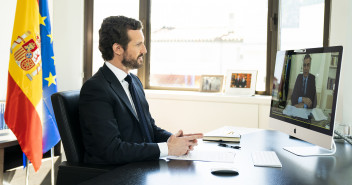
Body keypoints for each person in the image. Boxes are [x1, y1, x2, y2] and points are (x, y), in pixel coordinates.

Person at [79, 16, 203, 165]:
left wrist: (174, 140)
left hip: (139, 165)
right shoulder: (96, 89)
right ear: (117, 48)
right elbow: (110, 150)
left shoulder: (134, 82)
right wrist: (168, 148)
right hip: (115, 173)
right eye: (138, 44)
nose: (144, 50)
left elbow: (149, 128)